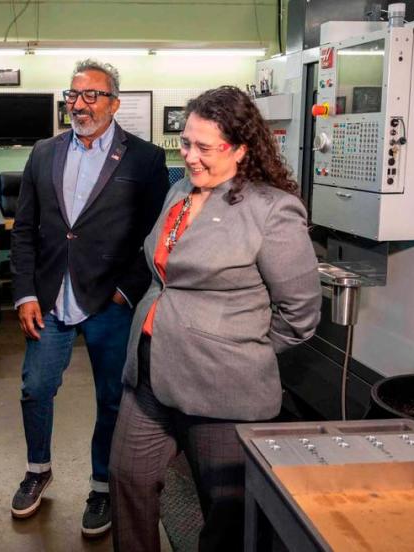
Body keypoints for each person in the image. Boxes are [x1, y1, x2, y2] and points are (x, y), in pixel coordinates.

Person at [108, 86, 322, 551]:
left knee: (225, 512)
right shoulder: (180, 191)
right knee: (127, 479)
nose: (191, 156)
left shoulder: (272, 210)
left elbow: (300, 314)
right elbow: (161, 274)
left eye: (205, 147)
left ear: (242, 149)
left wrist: (240, 348)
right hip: (149, 372)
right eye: (186, 143)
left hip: (222, 388)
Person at [9, 59, 168, 537]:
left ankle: (102, 485)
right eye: (73, 95)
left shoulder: (144, 158)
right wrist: (23, 294)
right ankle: (38, 469)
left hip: (109, 302)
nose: (79, 104)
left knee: (113, 399)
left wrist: (126, 292)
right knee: (36, 387)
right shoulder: (44, 153)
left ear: (114, 103)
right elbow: (23, 231)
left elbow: (153, 234)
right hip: (50, 298)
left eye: (91, 95)